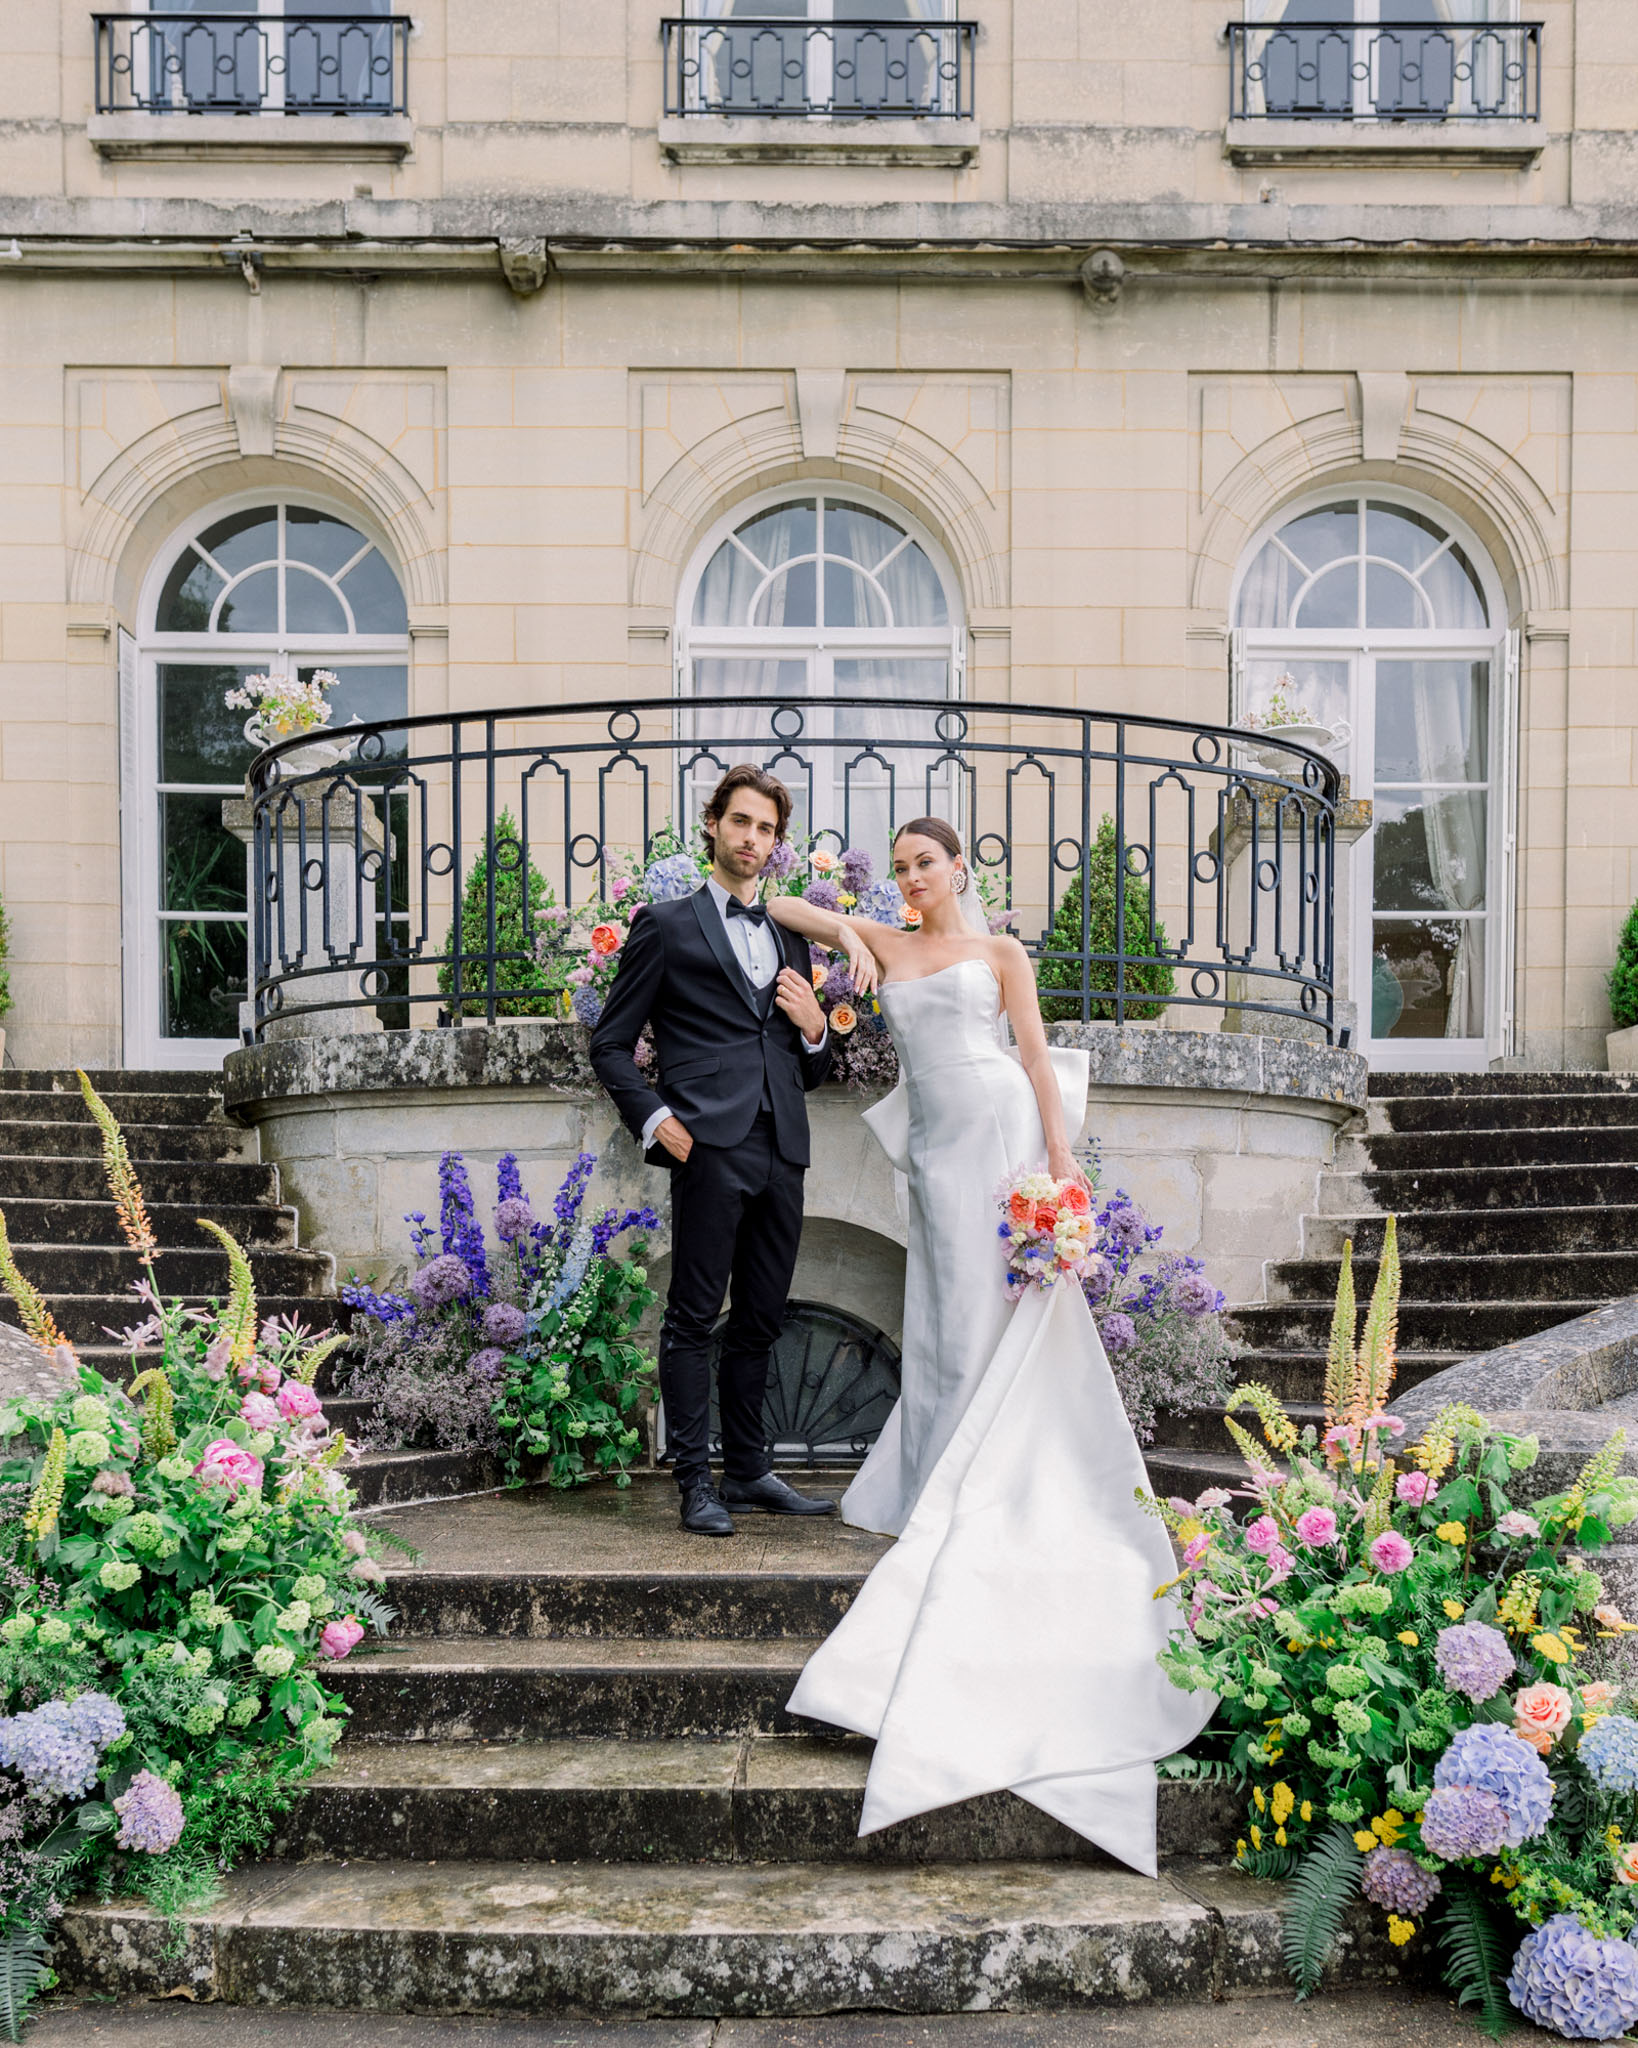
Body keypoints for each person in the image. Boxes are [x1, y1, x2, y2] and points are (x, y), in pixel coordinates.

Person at [767, 817, 1215, 1876]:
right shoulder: (887, 941)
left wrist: (1060, 1170)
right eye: (905, 865)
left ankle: (993, 1478)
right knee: (942, 1313)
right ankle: (939, 1469)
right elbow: (786, 906)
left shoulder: (999, 952)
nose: (919, 877)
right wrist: (853, 925)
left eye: (931, 862)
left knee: (996, 1311)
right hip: (935, 1147)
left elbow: (1033, 1057)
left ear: (963, 867)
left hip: (1005, 1134)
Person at [589, 766, 839, 1537]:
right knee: (694, 1318)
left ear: (777, 841)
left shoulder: (790, 934)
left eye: (766, 829)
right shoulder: (664, 924)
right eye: (741, 823)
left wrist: (814, 1026)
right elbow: (610, 1044)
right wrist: (656, 1116)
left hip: (783, 1143)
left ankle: (752, 1470)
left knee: (762, 1317)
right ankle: (695, 1482)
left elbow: (813, 1069)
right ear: (714, 825)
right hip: (707, 1144)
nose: (752, 840)